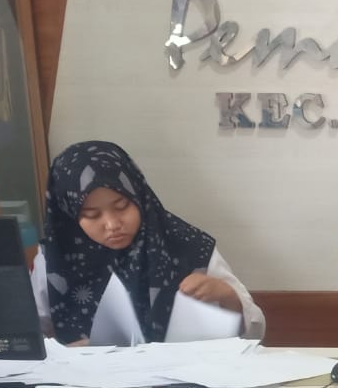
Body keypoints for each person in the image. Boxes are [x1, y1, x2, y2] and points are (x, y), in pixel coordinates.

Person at [30, 140, 265, 344]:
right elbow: (31, 338)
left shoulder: (188, 246)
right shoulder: (54, 258)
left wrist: (226, 295)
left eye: (122, 206)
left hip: (182, 377)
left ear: (139, 196)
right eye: (92, 215)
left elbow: (256, 333)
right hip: (88, 379)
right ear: (70, 215)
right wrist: (65, 353)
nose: (112, 224)